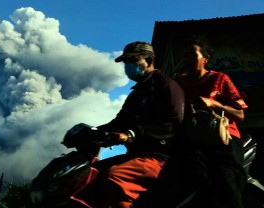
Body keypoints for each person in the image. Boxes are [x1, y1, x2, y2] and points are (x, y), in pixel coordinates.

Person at [137, 38, 248, 208]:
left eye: (192, 55)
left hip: (223, 139)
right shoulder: (177, 83)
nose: (187, 59)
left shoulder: (220, 79)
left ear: (206, 58)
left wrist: (215, 104)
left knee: (227, 179)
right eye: (184, 56)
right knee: (187, 177)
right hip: (192, 141)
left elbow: (239, 115)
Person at [94, 41, 184, 208]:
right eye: (125, 63)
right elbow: (119, 122)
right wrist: (91, 132)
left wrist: (131, 134)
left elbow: (172, 124)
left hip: (160, 157)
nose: (127, 66)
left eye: (132, 61)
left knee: (115, 178)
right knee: (90, 174)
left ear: (148, 61)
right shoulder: (137, 93)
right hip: (137, 155)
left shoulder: (166, 86)